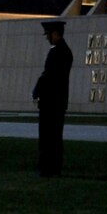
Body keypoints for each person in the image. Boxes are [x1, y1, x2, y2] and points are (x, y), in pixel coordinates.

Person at [32, 19, 73, 176]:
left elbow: (47, 75)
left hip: (50, 101)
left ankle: (46, 168)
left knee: (47, 137)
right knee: (55, 137)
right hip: (59, 101)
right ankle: (54, 168)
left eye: (48, 34)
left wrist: (36, 91)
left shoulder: (56, 52)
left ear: (55, 33)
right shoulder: (66, 51)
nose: (47, 38)